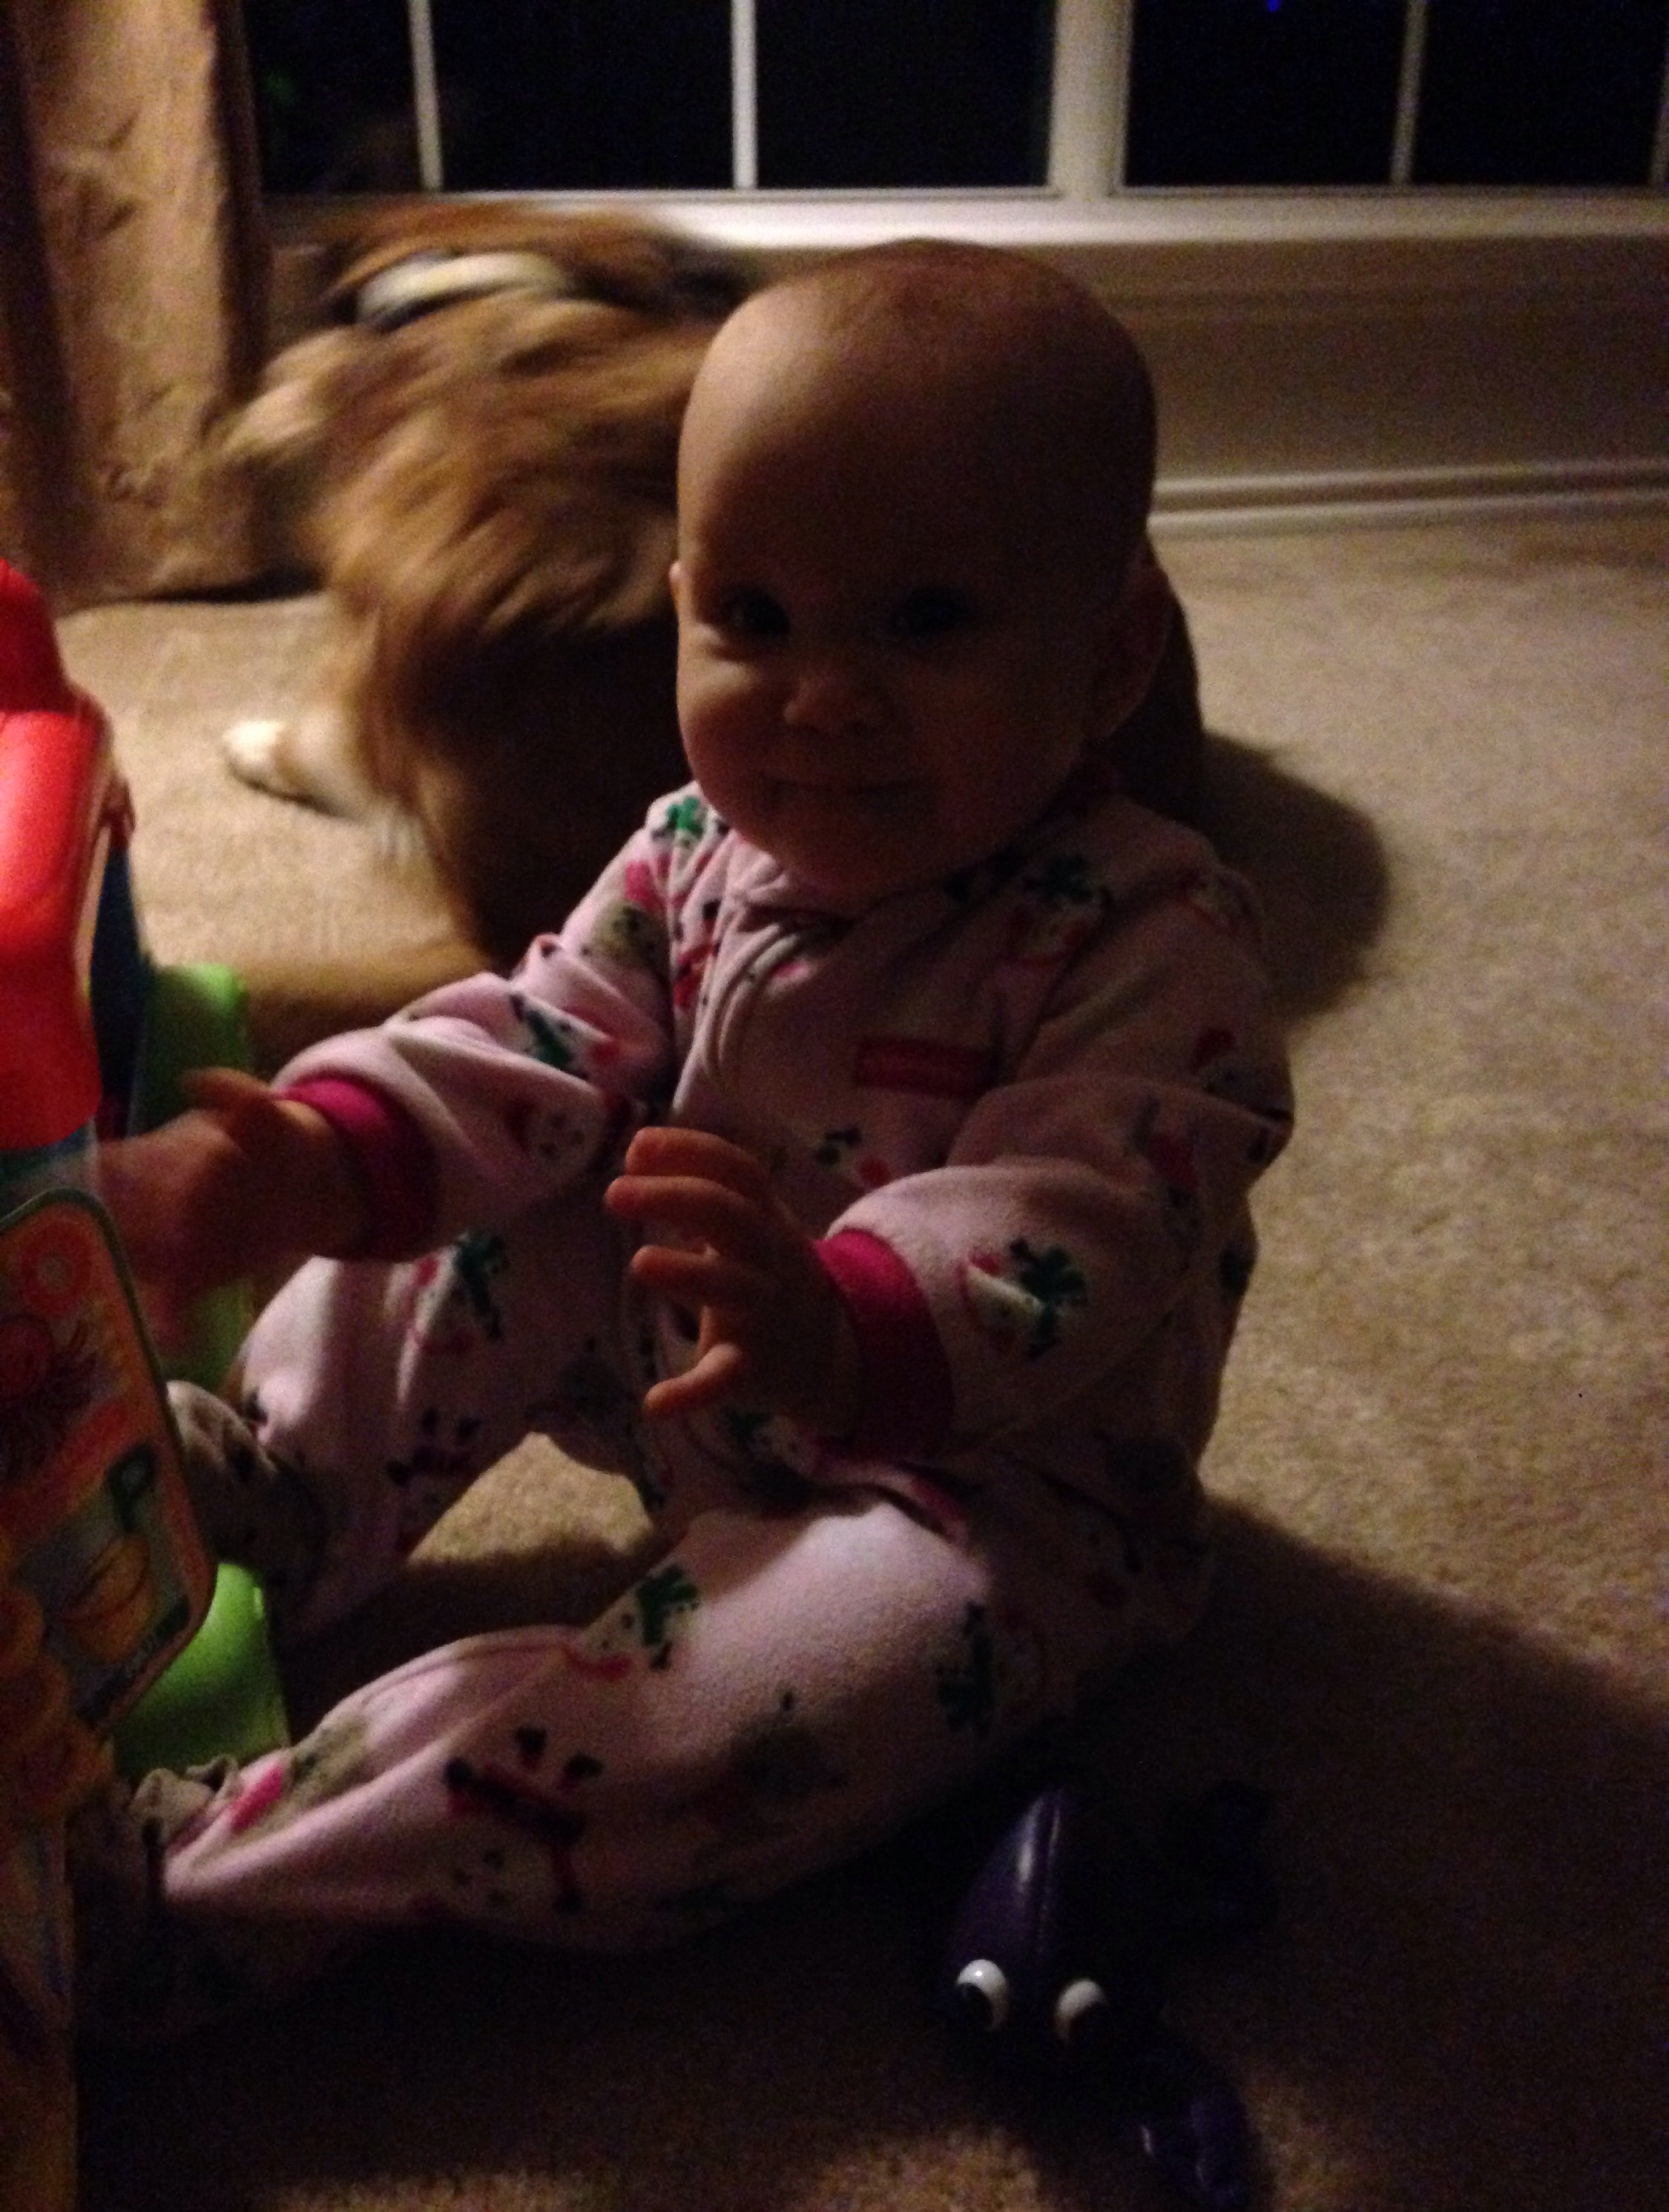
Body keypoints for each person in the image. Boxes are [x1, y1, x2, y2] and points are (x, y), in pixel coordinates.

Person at [84, 238, 1293, 2024]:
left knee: (687, 1737)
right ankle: (276, 1478)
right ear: (681, 610)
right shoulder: (692, 849)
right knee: (521, 1182)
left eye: (927, 623)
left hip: (988, 1500)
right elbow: (531, 1041)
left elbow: (1076, 1230)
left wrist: (835, 1321)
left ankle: (203, 1886)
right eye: (757, 621)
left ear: (1109, 662)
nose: (824, 696)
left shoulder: (1157, 941)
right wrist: (324, 1155)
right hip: (690, 1373)